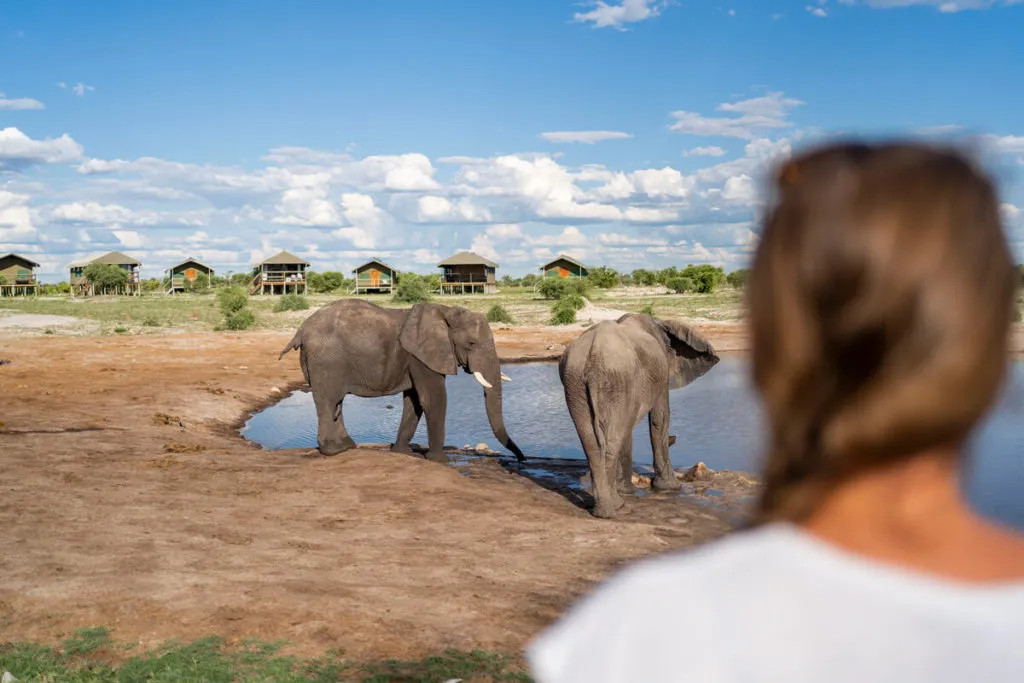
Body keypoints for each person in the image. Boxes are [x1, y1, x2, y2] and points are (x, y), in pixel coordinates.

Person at [526, 141, 1024, 682]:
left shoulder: (637, 626)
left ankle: (606, 493)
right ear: (990, 361)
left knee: (603, 435)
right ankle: (612, 491)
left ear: (770, 363)